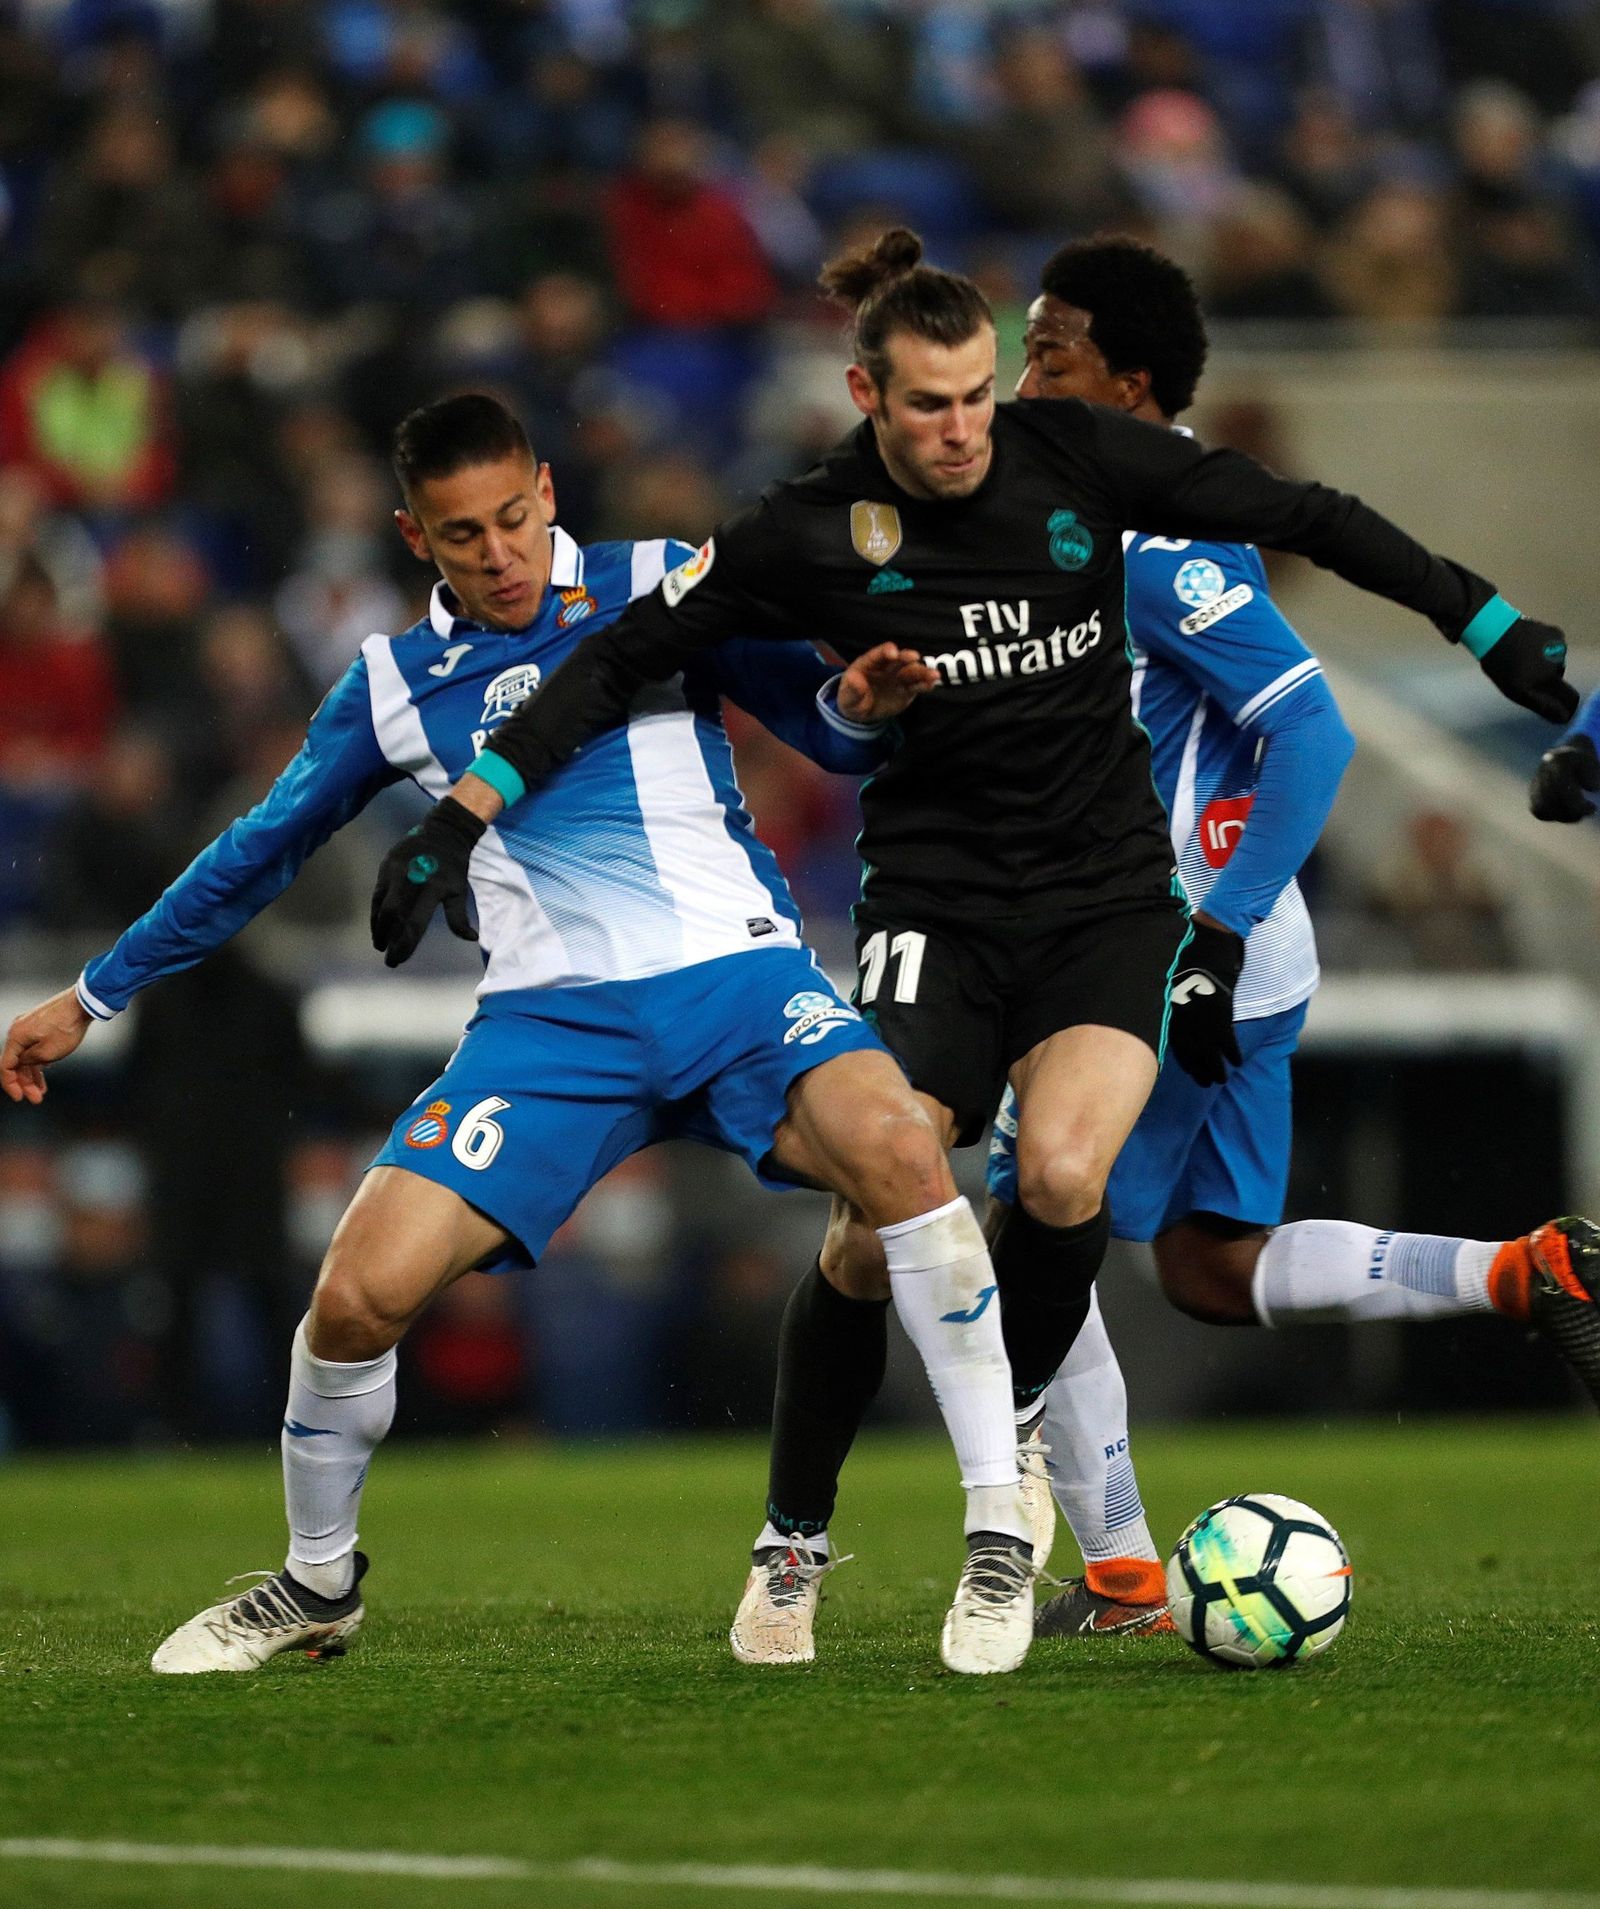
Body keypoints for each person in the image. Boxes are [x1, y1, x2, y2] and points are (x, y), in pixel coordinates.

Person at [365, 232, 1577, 1669]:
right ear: (866, 396)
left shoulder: (1081, 466)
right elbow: (616, 659)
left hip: (1113, 907)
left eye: (981, 396)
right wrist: (463, 813)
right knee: (895, 1209)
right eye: (929, 405)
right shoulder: (807, 530)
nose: (961, 432)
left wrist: (1486, 622)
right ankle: (794, 1543)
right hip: (934, 908)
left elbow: (1311, 512)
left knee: (1064, 1179)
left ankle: (1024, 1530)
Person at [0, 393, 1041, 1681]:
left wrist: (861, 702)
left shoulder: (663, 584)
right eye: (461, 535)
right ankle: (319, 1584)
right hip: (551, 1032)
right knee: (353, 1299)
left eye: (511, 519)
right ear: (412, 537)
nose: (497, 554)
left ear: (548, 491)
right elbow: (254, 854)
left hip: (737, 986)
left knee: (904, 1154)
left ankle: (998, 1526)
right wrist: (90, 998)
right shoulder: (392, 688)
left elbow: (819, 724)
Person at [980, 237, 1600, 1637]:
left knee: (1033, 1218)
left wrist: (1214, 928)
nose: (1025, 378)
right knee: (1208, 1268)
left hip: (1171, 946)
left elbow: (1307, 725)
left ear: (1130, 387)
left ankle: (1127, 1571)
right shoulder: (1125, 509)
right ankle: (1519, 1271)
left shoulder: (1143, 541)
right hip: (1242, 953)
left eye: (1052, 352)